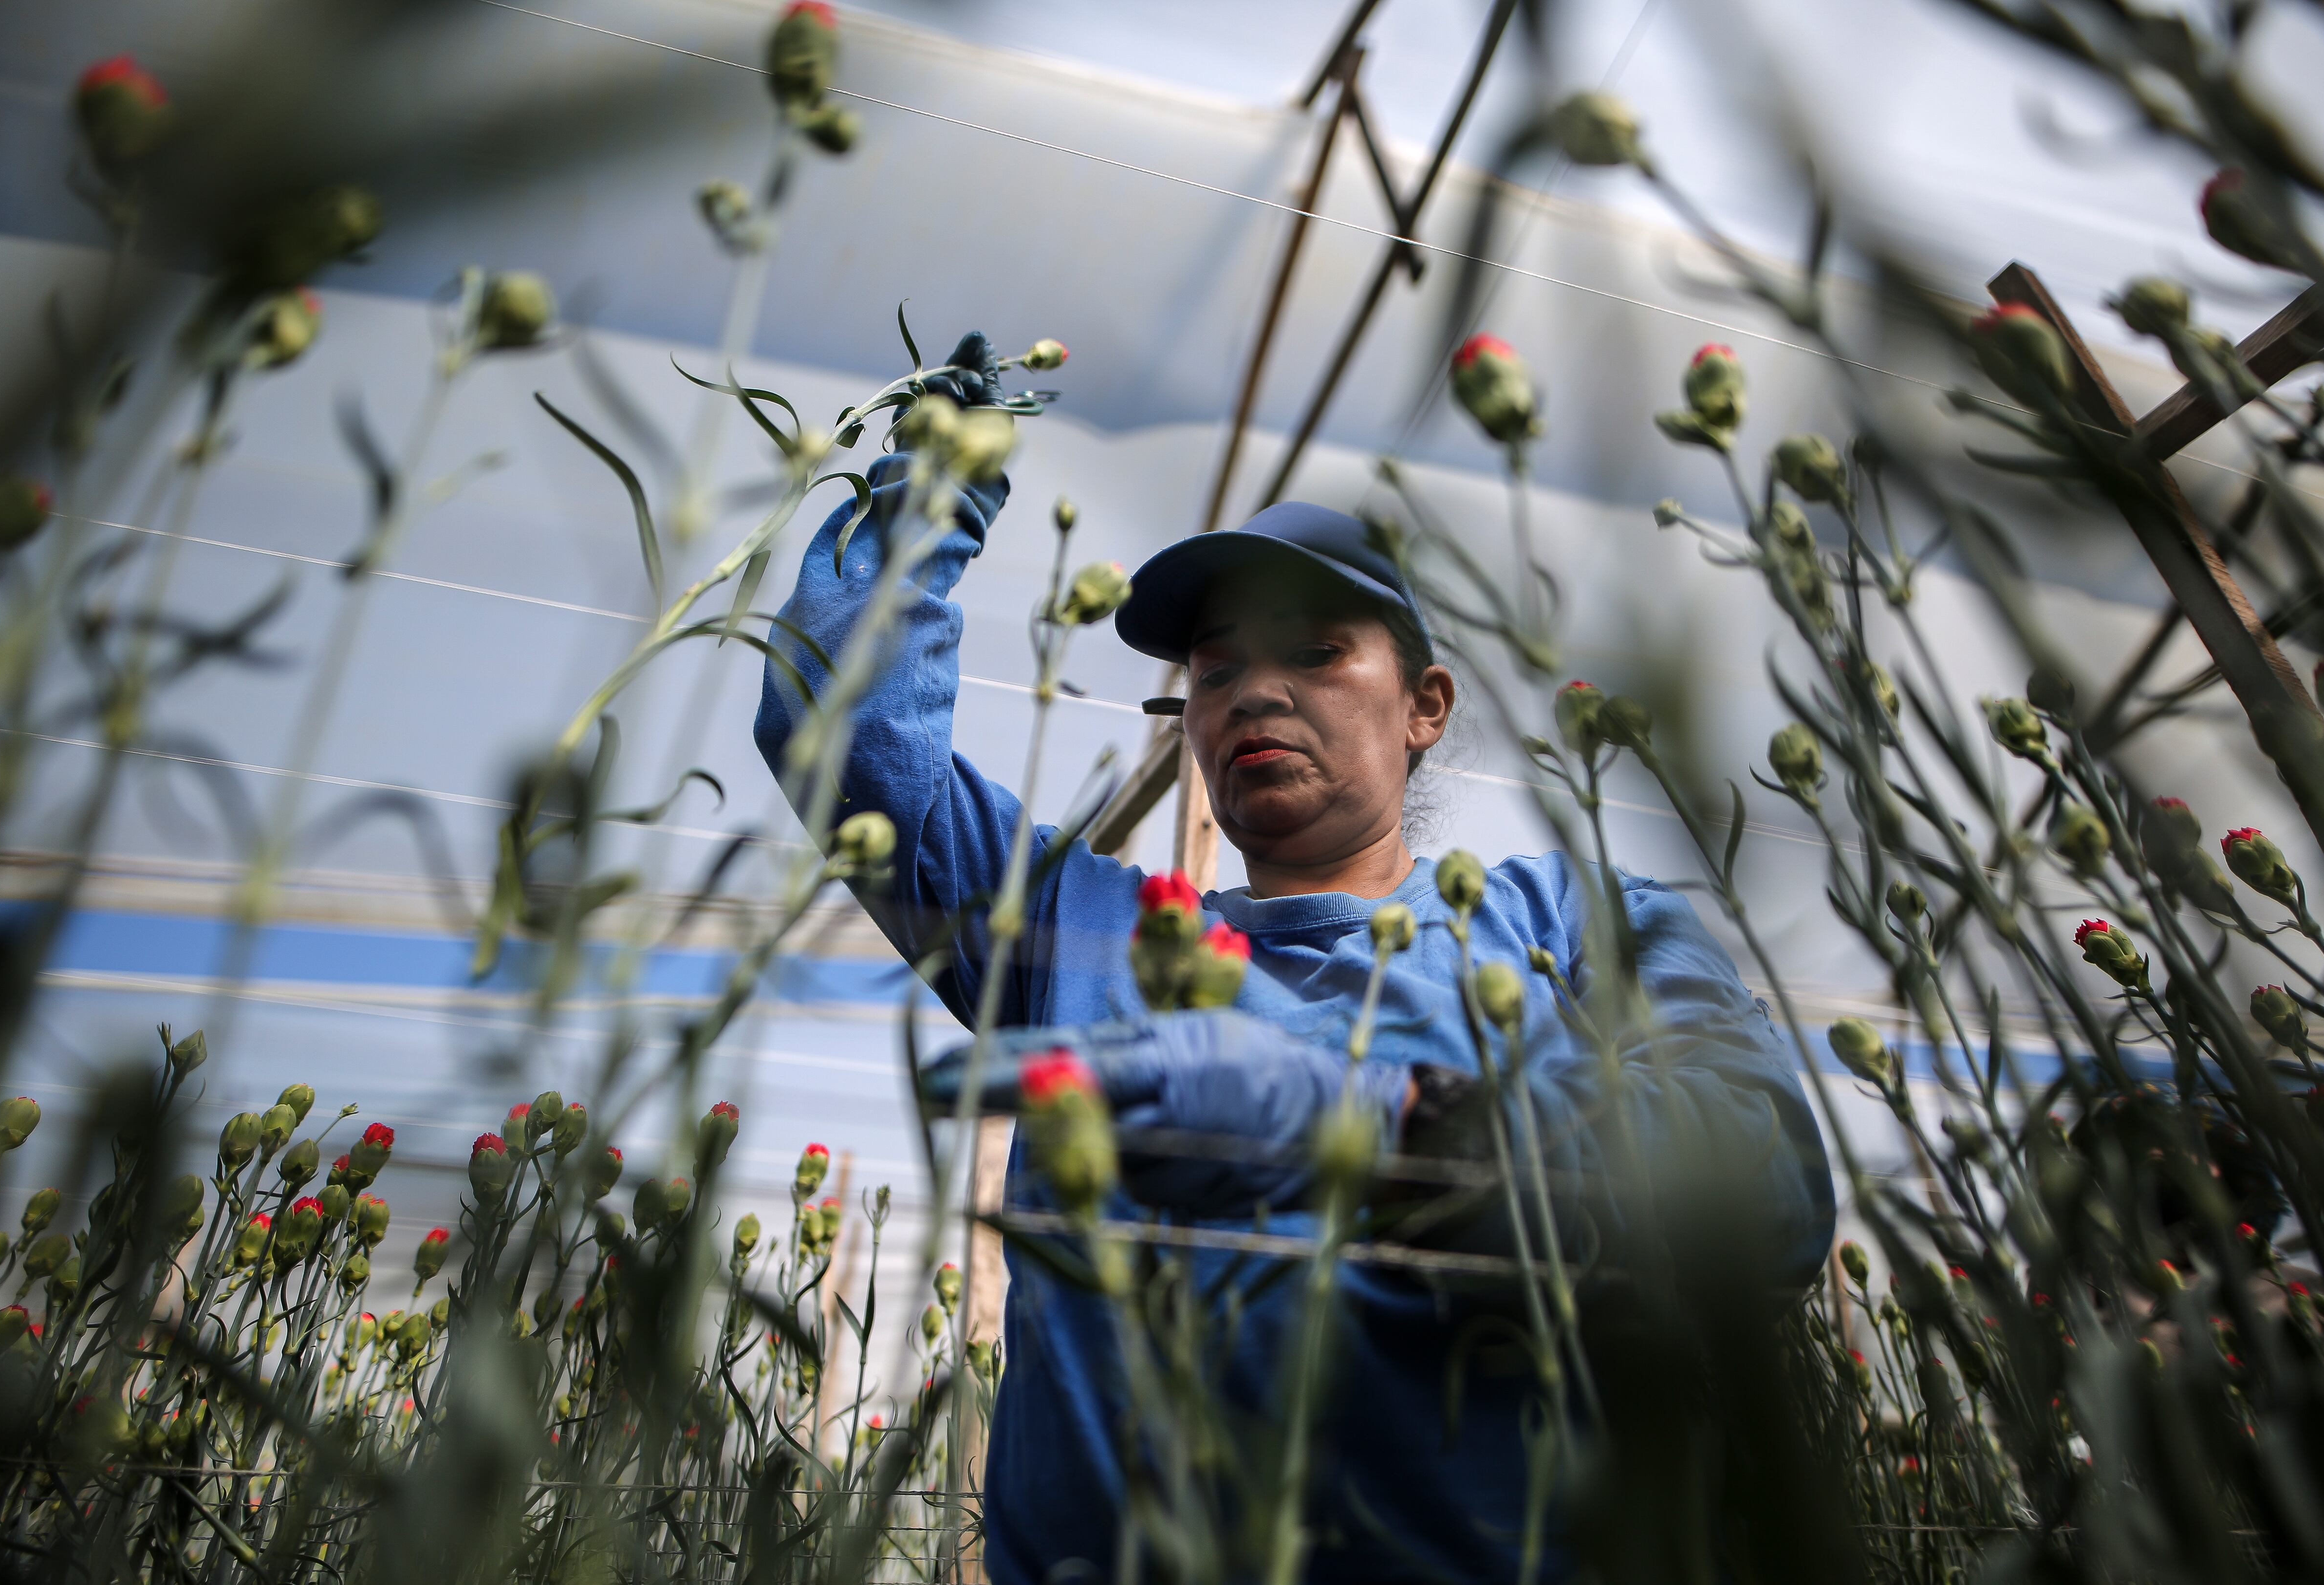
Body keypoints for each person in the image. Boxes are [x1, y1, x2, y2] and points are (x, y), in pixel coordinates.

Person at [754, 333, 1835, 1584]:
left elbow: (1762, 1193)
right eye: (1216, 669)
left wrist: (1389, 1130)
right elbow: (841, 742)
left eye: (1315, 651)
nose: (1253, 694)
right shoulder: (1081, 932)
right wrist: (927, 495)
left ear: (1425, 704)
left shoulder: (1576, 925)